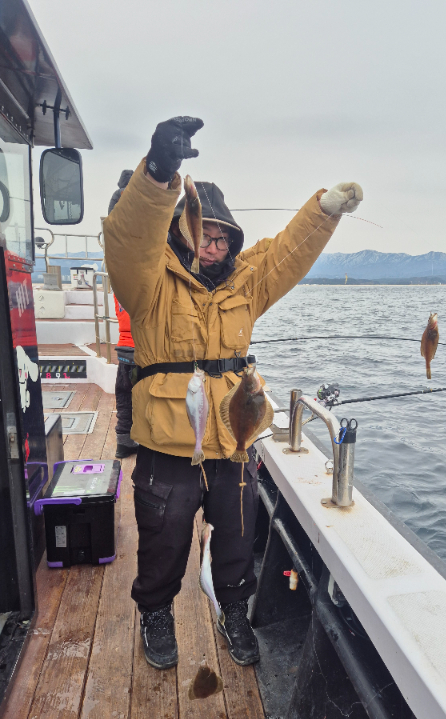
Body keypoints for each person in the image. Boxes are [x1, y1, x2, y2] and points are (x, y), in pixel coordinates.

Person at [103, 116, 363, 671]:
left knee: (239, 542)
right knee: (163, 540)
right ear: (181, 230)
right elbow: (127, 242)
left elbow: (287, 253)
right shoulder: (147, 281)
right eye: (204, 234)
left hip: (234, 445)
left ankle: (234, 612)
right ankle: (156, 613)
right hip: (167, 448)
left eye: (222, 237)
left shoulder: (248, 281)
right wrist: (157, 172)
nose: (213, 245)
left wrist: (325, 210)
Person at [107, 170, 139, 459]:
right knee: (143, 397)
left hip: (124, 345)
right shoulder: (138, 260)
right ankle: (147, 444)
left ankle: (122, 442)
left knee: (124, 395)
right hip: (142, 346)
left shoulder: (116, 262)